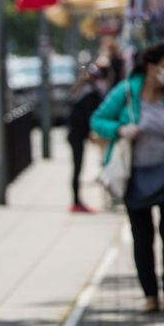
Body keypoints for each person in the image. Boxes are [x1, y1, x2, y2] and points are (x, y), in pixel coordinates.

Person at [91, 42, 164, 314]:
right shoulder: (127, 93)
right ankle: (150, 296)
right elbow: (97, 120)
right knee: (142, 237)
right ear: (150, 67)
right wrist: (120, 129)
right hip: (135, 177)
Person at [65, 63, 108, 214]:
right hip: (77, 135)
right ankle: (76, 202)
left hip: (75, 134)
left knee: (77, 168)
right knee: (77, 168)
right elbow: (92, 117)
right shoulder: (91, 93)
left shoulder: (82, 90)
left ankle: (77, 201)